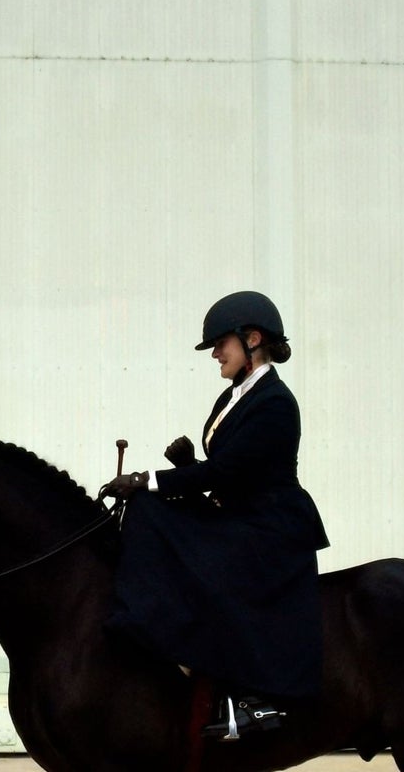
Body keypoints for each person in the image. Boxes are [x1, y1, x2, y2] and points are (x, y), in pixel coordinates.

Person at [103, 291, 329, 741]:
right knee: (148, 512)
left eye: (220, 345)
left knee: (150, 506)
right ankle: (151, 626)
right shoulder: (235, 395)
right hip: (238, 513)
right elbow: (232, 470)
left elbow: (230, 470)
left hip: (271, 526)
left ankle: (253, 700)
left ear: (253, 339)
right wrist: (188, 466)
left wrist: (151, 478)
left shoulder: (275, 402)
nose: (214, 355)